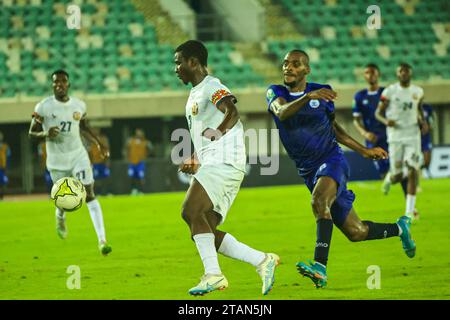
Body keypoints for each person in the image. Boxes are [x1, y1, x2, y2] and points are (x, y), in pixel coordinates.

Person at [266, 50, 415, 289]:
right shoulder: (276, 92)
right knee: (356, 231)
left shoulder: (322, 92)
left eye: (295, 64)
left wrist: (363, 150)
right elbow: (282, 113)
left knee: (318, 202)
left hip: (331, 159)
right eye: (285, 64)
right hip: (307, 170)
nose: (288, 68)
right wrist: (307, 96)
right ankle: (400, 228)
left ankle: (320, 267)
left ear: (307, 70)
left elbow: (333, 127)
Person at [174, 40, 279, 296]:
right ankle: (262, 260)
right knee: (204, 229)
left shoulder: (212, 85)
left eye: (178, 62)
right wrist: (197, 156)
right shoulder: (195, 92)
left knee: (190, 211)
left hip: (224, 160)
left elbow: (232, 112)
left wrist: (214, 135)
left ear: (193, 62)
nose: (175, 68)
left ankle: (214, 275)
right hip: (214, 161)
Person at [28, 69, 112, 256]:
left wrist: (99, 144)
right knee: (62, 200)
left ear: (68, 84)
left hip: (78, 156)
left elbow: (84, 127)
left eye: (63, 81)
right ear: (52, 85)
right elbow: (31, 133)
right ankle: (60, 217)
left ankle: (102, 240)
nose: (59, 85)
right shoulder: (43, 107)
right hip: (57, 161)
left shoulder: (79, 105)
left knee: (89, 194)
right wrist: (45, 133)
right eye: (56, 82)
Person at [376, 63, 428, 222]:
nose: (404, 73)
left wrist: (423, 122)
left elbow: (419, 110)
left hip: (413, 136)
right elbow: (378, 113)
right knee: (398, 175)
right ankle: (389, 178)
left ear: (410, 73)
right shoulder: (390, 92)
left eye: (406, 71)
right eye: (401, 71)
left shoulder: (418, 92)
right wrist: (386, 121)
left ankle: (409, 212)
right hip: (395, 136)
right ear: (397, 74)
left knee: (413, 170)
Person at [352, 64, 390, 179]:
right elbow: (356, 120)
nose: (370, 75)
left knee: (393, 164)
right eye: (367, 73)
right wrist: (365, 133)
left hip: (389, 135)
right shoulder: (359, 96)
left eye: (372, 72)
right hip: (372, 136)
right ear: (364, 76)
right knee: (381, 167)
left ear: (378, 74)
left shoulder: (386, 93)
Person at [124, 128, 152, 195]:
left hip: (140, 163)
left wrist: (146, 155)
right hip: (132, 162)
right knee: (131, 177)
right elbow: (126, 148)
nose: (139, 134)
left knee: (141, 177)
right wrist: (127, 157)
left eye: (140, 132)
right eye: (138, 132)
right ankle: (133, 190)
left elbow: (151, 150)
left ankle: (140, 191)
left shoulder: (145, 142)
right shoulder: (131, 141)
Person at [88, 128, 111, 196]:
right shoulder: (90, 139)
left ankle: (106, 192)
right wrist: (90, 163)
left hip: (103, 162)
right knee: (96, 179)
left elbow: (107, 149)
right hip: (95, 163)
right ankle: (97, 193)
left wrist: (107, 160)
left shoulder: (103, 138)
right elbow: (89, 152)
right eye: (94, 129)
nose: (95, 130)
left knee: (105, 178)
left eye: (97, 129)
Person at [420, 103, 434, 178]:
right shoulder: (412, 106)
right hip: (416, 138)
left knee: (427, 160)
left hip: (426, 137)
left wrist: (430, 126)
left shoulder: (427, 107)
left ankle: (424, 170)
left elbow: (431, 120)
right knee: (417, 159)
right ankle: (418, 174)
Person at [0, 131, 11, 200]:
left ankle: (2, 196)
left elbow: (8, 156)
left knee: (3, 182)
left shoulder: (5, 147)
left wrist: (7, 166)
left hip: (2, 167)